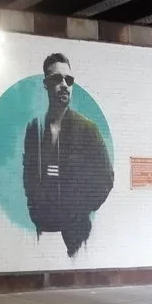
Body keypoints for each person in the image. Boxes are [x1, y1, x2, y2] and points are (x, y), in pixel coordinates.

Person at [22, 53, 113, 257]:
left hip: (76, 234)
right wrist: (34, 209)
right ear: (45, 84)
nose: (64, 85)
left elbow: (106, 179)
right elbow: (28, 176)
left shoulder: (88, 129)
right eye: (57, 79)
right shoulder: (34, 129)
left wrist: (79, 210)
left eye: (69, 80)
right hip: (42, 228)